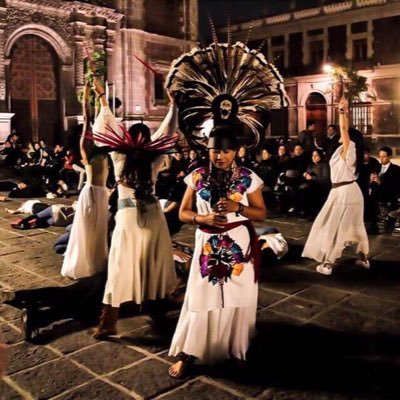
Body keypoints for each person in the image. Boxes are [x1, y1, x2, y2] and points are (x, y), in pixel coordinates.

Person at [168, 126, 266, 378]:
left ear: (236, 151)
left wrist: (238, 207)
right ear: (207, 150)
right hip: (208, 244)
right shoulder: (197, 175)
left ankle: (236, 348)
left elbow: (261, 213)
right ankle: (189, 352)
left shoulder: (247, 177)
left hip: (238, 243)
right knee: (202, 294)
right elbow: (183, 212)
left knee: (237, 294)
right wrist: (203, 217)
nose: (220, 156)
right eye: (215, 150)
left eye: (226, 150)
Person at [90, 78, 178, 339]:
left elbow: (107, 127)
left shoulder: (119, 156)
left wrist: (103, 99)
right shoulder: (154, 158)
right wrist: (173, 106)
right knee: (155, 260)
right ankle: (156, 309)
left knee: (120, 264)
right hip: (151, 215)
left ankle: (109, 321)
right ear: (148, 140)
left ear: (128, 138)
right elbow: (167, 131)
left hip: (129, 216)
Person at [302, 98, 369, 275]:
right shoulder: (341, 151)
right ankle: (364, 259)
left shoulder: (350, 148)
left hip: (345, 193)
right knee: (354, 227)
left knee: (334, 227)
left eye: (344, 134)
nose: (340, 134)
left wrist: (342, 112)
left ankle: (328, 263)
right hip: (345, 192)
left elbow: (345, 129)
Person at [61, 81, 110, 280]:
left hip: (102, 192)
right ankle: (85, 263)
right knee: (89, 228)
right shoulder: (86, 149)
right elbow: (89, 118)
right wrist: (87, 94)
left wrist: (101, 96)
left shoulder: (105, 148)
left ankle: (98, 262)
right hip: (91, 192)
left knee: (100, 229)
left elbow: (102, 119)